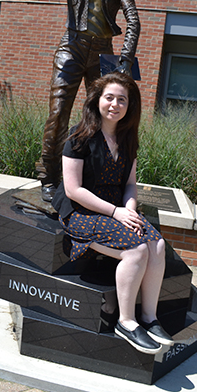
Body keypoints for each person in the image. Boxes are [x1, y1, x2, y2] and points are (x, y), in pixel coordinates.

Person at [52, 72, 173, 354]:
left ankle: (149, 318)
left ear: (130, 105)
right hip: (82, 211)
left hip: (117, 208)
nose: (115, 104)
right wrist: (116, 212)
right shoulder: (79, 136)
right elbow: (73, 190)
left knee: (157, 245)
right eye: (109, 98)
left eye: (122, 99)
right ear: (97, 101)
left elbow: (129, 184)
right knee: (136, 251)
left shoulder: (127, 139)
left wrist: (129, 209)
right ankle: (126, 322)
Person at [25, 0, 140, 201]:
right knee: (58, 113)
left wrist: (125, 60)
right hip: (72, 47)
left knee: (102, 120)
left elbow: (133, 22)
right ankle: (49, 177)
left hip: (104, 53)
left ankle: (92, 178)